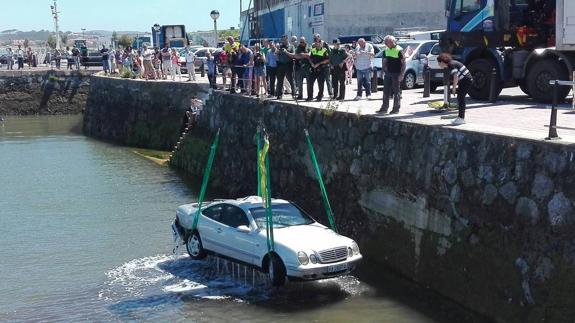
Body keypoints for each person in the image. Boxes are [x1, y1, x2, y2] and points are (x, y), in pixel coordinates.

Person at [437, 53, 473, 125]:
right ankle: (460, 117)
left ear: (442, 62)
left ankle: (461, 118)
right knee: (460, 98)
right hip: (465, 80)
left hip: (466, 80)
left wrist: (453, 88)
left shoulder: (451, 64)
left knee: (461, 98)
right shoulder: (450, 64)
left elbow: (455, 76)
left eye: (438, 63)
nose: (438, 65)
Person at [378, 35, 405, 114]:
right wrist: (382, 72)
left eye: (387, 42)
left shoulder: (399, 50)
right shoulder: (386, 50)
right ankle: (384, 108)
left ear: (393, 42)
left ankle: (396, 109)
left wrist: (402, 74)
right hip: (388, 73)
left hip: (396, 73)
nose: (386, 44)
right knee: (385, 91)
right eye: (385, 42)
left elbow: (403, 63)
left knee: (396, 91)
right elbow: (384, 62)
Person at [275, 35, 295, 100]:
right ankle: (279, 94)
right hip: (281, 65)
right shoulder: (280, 46)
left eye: (284, 40)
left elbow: (293, 55)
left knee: (291, 79)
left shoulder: (291, 46)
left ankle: (294, 93)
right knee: (280, 80)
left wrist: (286, 52)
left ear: (287, 39)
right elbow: (276, 55)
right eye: (282, 40)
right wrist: (277, 52)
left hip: (288, 64)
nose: (283, 41)